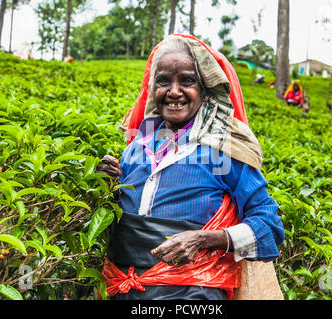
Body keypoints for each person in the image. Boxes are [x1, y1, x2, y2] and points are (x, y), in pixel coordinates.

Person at [97, 34, 285, 300]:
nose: (174, 91)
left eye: (187, 80)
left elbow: (270, 225)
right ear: (153, 90)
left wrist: (206, 240)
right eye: (163, 81)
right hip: (124, 291)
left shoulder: (225, 151)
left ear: (205, 89)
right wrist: (107, 188)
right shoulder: (135, 149)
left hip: (192, 297)